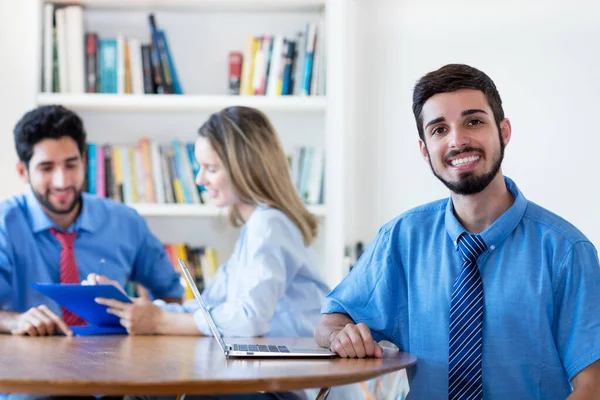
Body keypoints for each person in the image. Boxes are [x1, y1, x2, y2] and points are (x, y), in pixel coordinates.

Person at [314, 64, 600, 399]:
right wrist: (339, 335)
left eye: (474, 121)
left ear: (504, 131)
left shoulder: (567, 251)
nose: (458, 140)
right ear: (424, 150)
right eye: (438, 130)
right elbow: (331, 319)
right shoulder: (402, 239)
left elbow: (592, 386)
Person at [94, 106, 331, 400]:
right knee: (136, 391)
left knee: (152, 392)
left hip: (283, 388)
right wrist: (133, 308)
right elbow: (208, 309)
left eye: (211, 168)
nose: (199, 180)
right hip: (262, 378)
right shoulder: (254, 230)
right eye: (200, 168)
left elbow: (248, 319)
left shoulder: (269, 225)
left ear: (245, 167)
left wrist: (160, 322)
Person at [0, 105, 183, 338]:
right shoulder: (4, 225)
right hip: (28, 361)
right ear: (23, 171)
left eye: (71, 164)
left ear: (84, 161)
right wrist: (14, 321)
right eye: (46, 168)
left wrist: (146, 316)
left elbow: (170, 295)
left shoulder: (125, 222)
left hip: (115, 360)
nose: (62, 181)